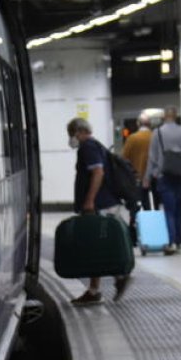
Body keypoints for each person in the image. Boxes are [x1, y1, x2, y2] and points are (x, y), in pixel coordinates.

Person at [67, 117, 132, 305]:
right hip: (104, 203)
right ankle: (108, 283)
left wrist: (89, 201)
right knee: (98, 246)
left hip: (99, 205)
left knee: (96, 246)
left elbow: (98, 173)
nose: (71, 139)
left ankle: (102, 286)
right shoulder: (96, 145)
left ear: (79, 132)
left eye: (71, 134)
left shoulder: (88, 147)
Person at [143, 107, 181, 250]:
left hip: (164, 176)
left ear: (164, 117)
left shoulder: (157, 132)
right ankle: (178, 241)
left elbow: (152, 158)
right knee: (178, 209)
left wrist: (147, 177)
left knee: (169, 210)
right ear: (176, 117)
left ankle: (171, 241)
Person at [121, 114, 154, 210]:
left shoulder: (132, 138)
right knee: (152, 205)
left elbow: (123, 158)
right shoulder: (155, 137)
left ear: (138, 124)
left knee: (137, 206)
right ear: (150, 124)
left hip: (137, 178)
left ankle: (136, 222)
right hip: (154, 178)